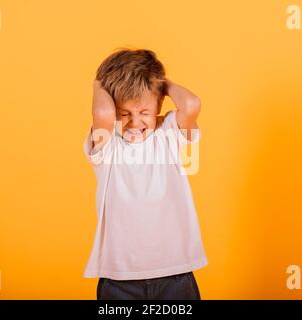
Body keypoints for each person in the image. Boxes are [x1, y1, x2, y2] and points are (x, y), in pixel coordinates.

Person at [83, 48, 208, 299]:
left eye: (144, 113)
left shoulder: (169, 133)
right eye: (125, 113)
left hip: (175, 274)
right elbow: (103, 114)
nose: (135, 122)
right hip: (119, 279)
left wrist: (161, 84)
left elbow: (192, 104)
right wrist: (99, 83)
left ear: (160, 104)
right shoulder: (109, 145)